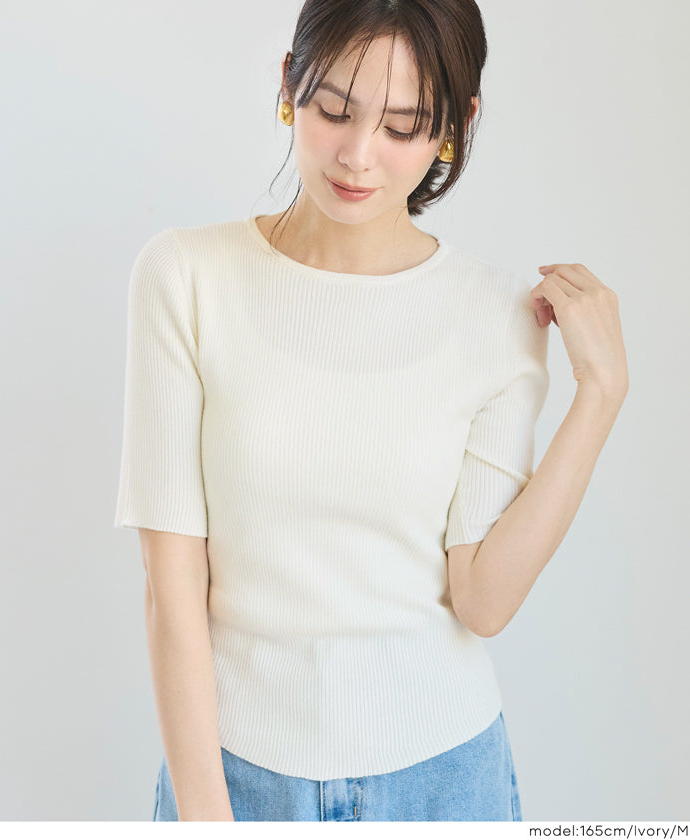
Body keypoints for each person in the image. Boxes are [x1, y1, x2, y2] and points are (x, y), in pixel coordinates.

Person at [113, 0, 629, 823]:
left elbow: (484, 600)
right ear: (290, 84)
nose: (358, 155)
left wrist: (599, 396)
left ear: (455, 126)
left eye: (402, 126)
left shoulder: (496, 316)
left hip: (444, 782)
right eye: (333, 110)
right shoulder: (186, 277)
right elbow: (171, 585)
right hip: (237, 776)